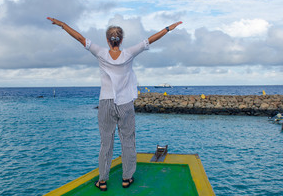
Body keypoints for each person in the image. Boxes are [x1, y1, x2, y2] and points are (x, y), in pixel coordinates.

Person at [47, 17, 182, 191]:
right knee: (128, 141)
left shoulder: (100, 52)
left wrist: (62, 24)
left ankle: (102, 180)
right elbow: (151, 39)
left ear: (107, 40)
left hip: (106, 102)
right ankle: (127, 178)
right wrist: (168, 28)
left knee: (106, 143)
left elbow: (80, 38)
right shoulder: (129, 53)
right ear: (122, 39)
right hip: (125, 103)